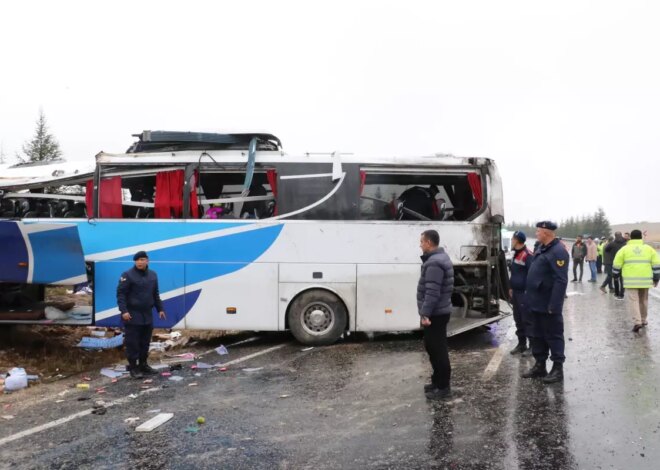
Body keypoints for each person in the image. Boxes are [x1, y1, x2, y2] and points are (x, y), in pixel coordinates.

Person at [522, 221, 569, 384]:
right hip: (535, 302)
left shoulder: (558, 251)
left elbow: (561, 280)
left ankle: (557, 369)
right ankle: (540, 365)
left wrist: (554, 305)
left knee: (554, 335)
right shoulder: (541, 248)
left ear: (547, 233)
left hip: (548, 304)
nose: (536, 234)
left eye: (538, 231)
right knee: (537, 335)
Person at [117, 251, 166, 379]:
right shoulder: (127, 275)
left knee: (145, 342)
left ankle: (143, 365)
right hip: (132, 314)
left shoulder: (153, 275)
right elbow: (121, 295)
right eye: (137, 260)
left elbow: (155, 294)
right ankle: (133, 368)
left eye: (142, 259)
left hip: (147, 314)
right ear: (135, 262)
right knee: (133, 343)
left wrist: (160, 309)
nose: (140, 262)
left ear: (147, 261)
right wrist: (124, 311)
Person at [418, 229, 455, 400]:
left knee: (438, 350)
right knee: (432, 348)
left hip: (435, 314)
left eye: (422, 242)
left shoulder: (434, 263)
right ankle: (437, 381)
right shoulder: (439, 258)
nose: (420, 245)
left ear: (429, 243)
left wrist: (425, 314)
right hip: (438, 312)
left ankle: (443, 387)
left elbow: (432, 292)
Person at [612, 230, 660, 333]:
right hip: (645, 280)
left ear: (630, 238)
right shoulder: (649, 249)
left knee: (634, 301)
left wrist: (615, 275)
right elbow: (656, 264)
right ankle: (643, 320)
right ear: (641, 237)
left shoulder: (624, 249)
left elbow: (617, 263)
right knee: (644, 300)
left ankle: (637, 322)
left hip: (631, 281)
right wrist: (656, 278)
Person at [508, 231, 534, 356]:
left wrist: (528, 292)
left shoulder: (527, 255)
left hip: (524, 294)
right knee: (518, 319)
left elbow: (532, 275)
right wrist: (510, 287)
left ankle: (532, 346)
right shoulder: (516, 254)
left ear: (517, 240)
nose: (511, 241)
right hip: (516, 293)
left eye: (513, 239)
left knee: (527, 320)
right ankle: (521, 344)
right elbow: (514, 274)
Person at [604, 232, 627, 299]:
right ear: (621, 235)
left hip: (615, 263)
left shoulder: (612, 243)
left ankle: (617, 293)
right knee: (622, 280)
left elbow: (606, 250)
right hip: (623, 263)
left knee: (616, 278)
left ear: (615, 236)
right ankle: (622, 294)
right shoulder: (625, 244)